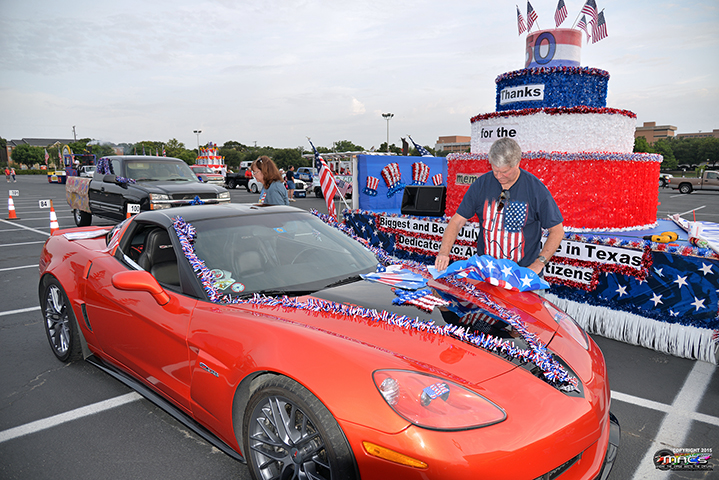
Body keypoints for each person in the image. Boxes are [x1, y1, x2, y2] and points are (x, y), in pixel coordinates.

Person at [435, 138, 564, 276]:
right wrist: (443, 253)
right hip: (486, 272)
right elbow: (457, 221)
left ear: (517, 163)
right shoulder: (481, 184)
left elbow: (557, 231)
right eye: (495, 170)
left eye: (504, 172)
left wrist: (539, 263)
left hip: (523, 275)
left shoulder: (536, 189)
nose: (498, 176)